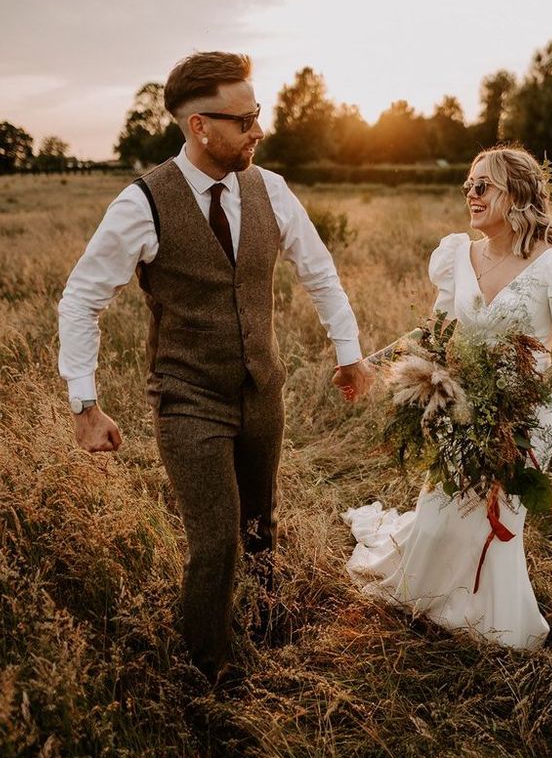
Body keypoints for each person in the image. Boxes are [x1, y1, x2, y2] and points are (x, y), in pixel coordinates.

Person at [58, 50, 372, 681]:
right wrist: (85, 405)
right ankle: (209, 676)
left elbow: (320, 272)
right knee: (216, 540)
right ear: (200, 126)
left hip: (264, 391)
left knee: (259, 525)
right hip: (187, 398)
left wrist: (349, 352)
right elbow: (81, 299)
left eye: (260, 114)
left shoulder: (271, 190)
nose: (259, 129)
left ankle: (266, 628)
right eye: (246, 118)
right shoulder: (141, 203)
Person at [343, 145, 552, 650]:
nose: (471, 195)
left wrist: (523, 399)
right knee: (441, 517)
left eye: (482, 186)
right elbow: (435, 331)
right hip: (461, 407)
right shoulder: (457, 255)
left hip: (523, 417)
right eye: (468, 185)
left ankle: (490, 620)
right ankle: (427, 592)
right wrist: (370, 364)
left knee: (496, 521)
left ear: (518, 194)